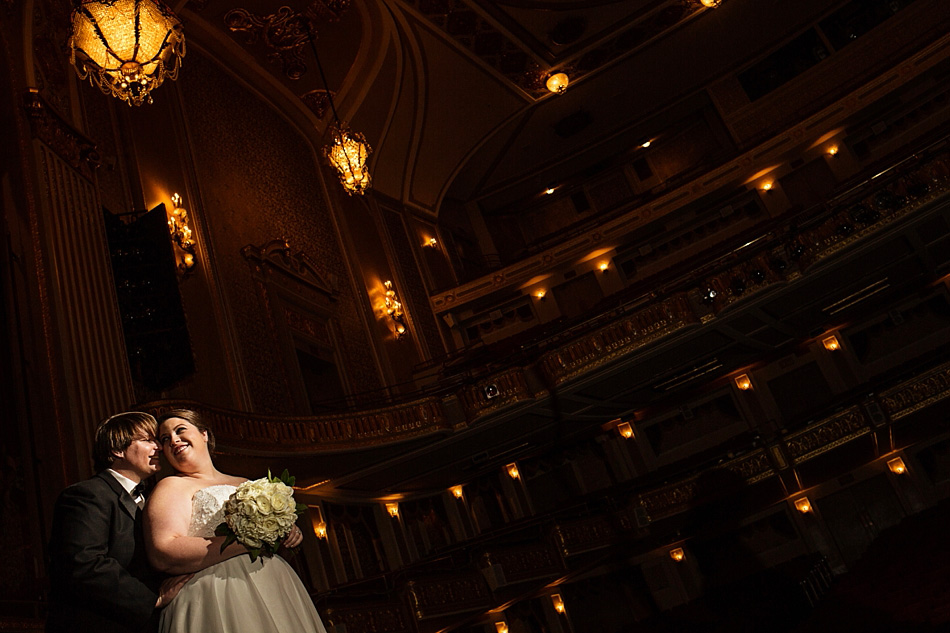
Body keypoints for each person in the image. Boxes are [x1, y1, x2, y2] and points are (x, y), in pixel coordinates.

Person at [145, 409, 327, 633]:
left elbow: (274, 547)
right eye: (165, 438)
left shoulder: (247, 483)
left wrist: (285, 532)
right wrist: (250, 541)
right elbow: (164, 551)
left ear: (204, 434)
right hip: (215, 591)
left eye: (180, 430)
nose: (173, 440)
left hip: (273, 585)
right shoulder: (172, 486)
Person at [46, 412, 193, 633]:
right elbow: (84, 563)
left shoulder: (154, 498)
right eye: (147, 440)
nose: (159, 447)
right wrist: (152, 599)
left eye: (156, 440)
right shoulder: (87, 495)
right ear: (117, 449)